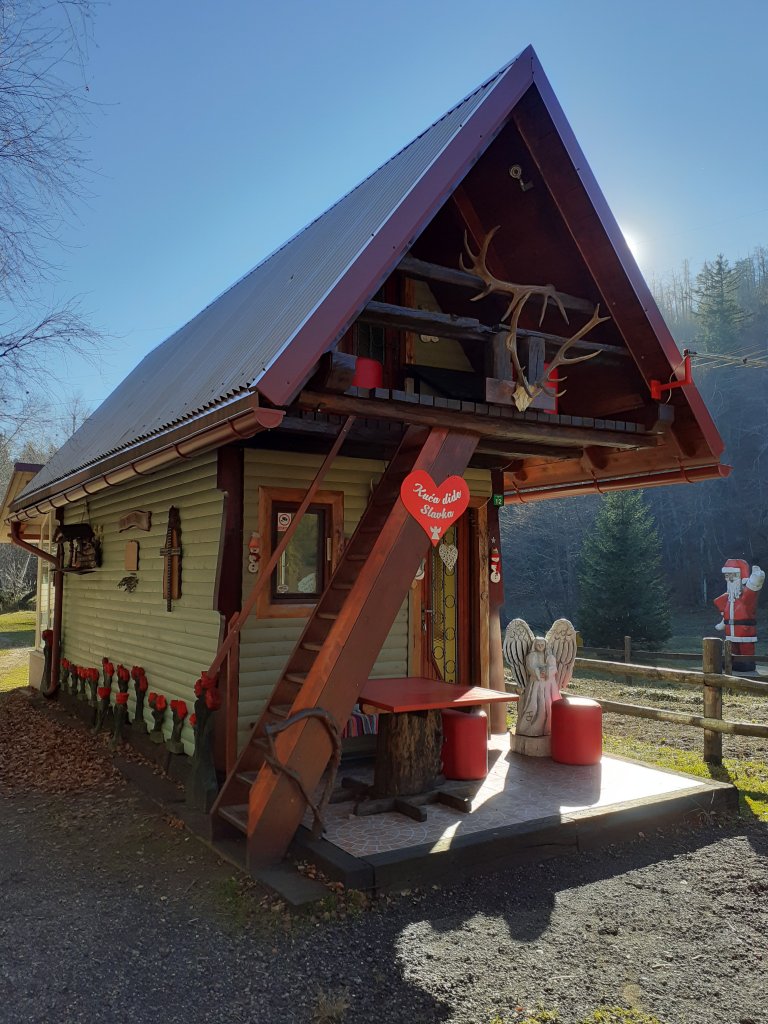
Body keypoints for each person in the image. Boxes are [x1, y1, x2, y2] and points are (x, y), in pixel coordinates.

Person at [713, 559, 764, 674]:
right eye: (727, 575)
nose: (729, 579)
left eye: (732, 575)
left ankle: (747, 663)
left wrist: (756, 579)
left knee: (745, 647)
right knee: (732, 648)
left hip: (744, 629)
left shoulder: (745, 597)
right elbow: (723, 606)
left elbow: (752, 590)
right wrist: (724, 621)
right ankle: (731, 662)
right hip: (730, 630)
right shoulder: (728, 597)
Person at [517, 636, 561, 737]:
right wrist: (539, 672)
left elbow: (554, 668)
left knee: (549, 704)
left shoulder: (550, 657)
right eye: (538, 644)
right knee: (535, 704)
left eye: (542, 644)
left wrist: (547, 672)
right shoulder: (531, 656)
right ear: (534, 645)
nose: (540, 646)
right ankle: (531, 728)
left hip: (549, 685)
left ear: (546, 645)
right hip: (536, 684)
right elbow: (530, 668)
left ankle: (548, 728)